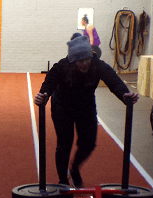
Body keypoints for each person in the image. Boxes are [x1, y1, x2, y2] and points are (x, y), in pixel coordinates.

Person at [34, 34, 139, 188]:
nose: (84, 64)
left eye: (87, 59)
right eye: (80, 61)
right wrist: (43, 95)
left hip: (86, 107)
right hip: (62, 107)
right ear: (73, 60)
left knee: (88, 143)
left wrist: (124, 94)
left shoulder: (98, 65)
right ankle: (63, 180)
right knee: (64, 144)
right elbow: (50, 81)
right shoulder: (63, 66)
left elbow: (113, 80)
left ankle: (74, 168)